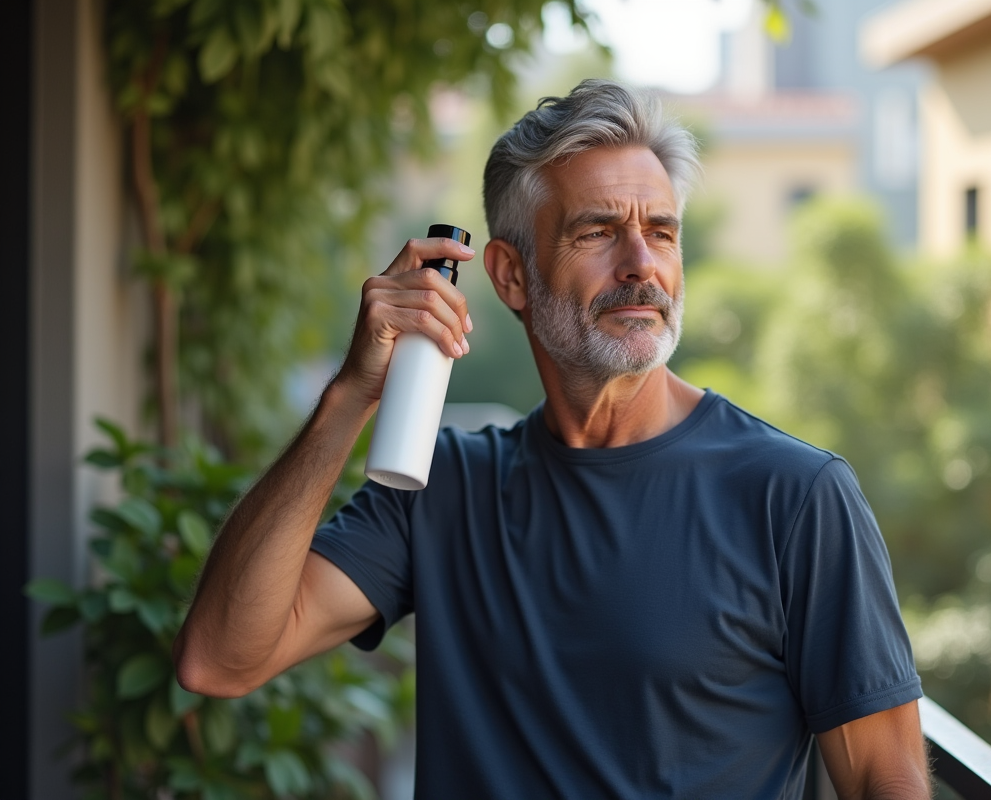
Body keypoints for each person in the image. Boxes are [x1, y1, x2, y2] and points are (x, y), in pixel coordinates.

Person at [175, 79, 930, 799]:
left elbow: (882, 778)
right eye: (597, 232)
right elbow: (220, 658)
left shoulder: (794, 495)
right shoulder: (440, 488)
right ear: (510, 277)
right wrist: (349, 398)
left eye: (660, 232)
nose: (641, 266)